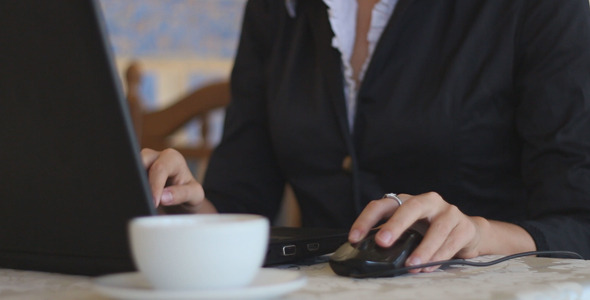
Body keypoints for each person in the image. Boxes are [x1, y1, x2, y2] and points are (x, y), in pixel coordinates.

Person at [142, 0, 590, 273]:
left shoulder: (538, 7)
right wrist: (187, 205)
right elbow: (241, 203)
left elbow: (578, 222)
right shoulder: (278, 8)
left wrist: (478, 235)